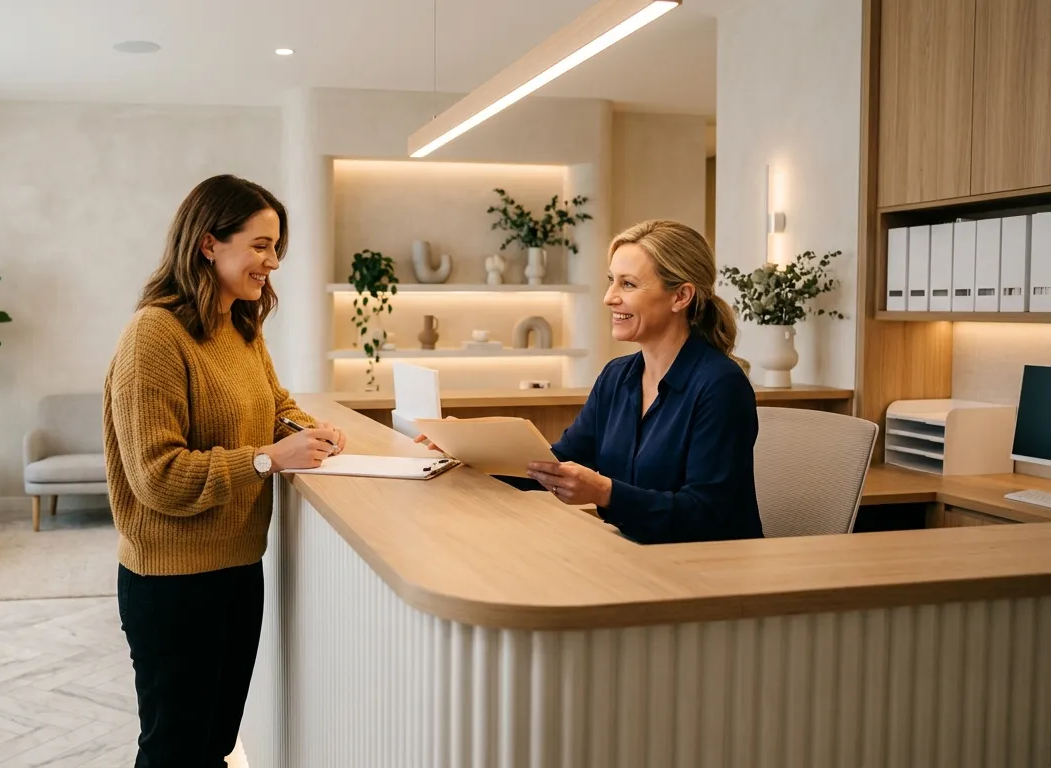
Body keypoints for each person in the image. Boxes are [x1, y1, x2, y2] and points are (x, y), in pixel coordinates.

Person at [104, 174, 346, 767]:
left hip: (238, 567)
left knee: (213, 744)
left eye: (276, 247)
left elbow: (275, 403)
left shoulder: (240, 326)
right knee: (173, 751)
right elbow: (156, 476)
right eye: (260, 245)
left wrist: (306, 432)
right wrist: (267, 458)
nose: (272, 262)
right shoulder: (154, 334)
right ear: (209, 242)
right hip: (171, 583)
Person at [428, 219, 763, 545]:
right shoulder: (617, 377)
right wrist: (471, 449)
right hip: (635, 557)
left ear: (681, 297)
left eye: (628, 284)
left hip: (711, 575)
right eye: (611, 281)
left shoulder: (721, 386)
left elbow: (705, 515)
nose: (609, 297)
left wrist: (605, 492)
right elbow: (555, 464)